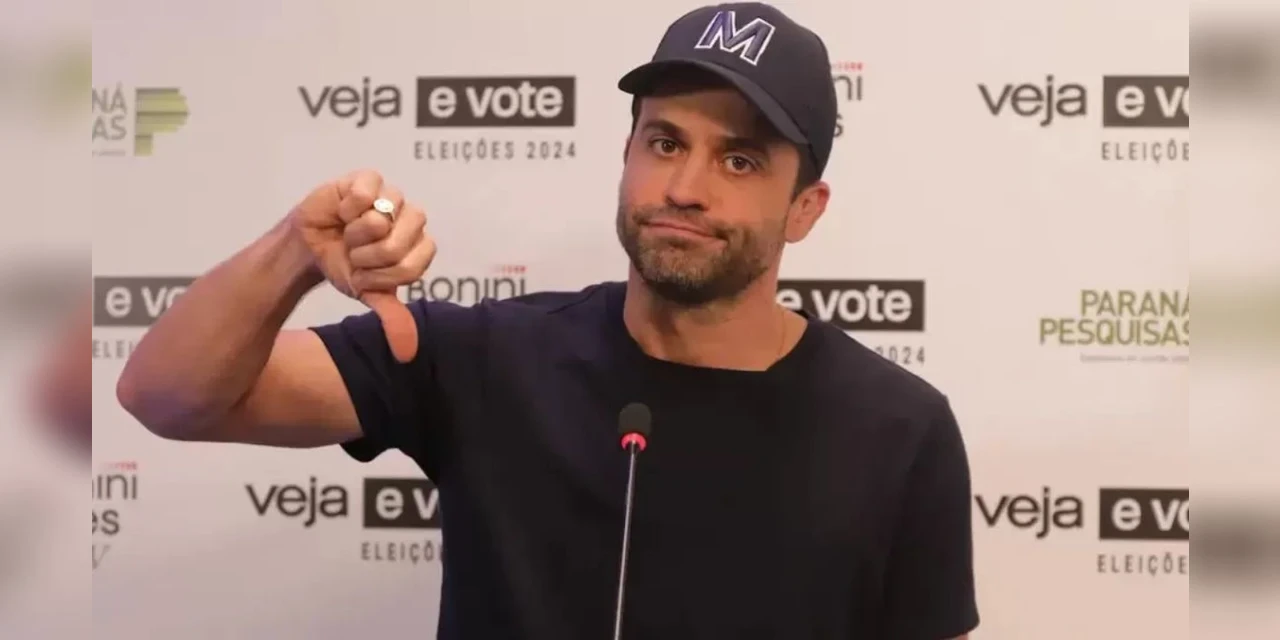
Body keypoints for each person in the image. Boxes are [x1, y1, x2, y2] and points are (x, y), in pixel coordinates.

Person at [117, 3, 979, 638]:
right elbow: (164, 395)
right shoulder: (484, 359)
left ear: (805, 208)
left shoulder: (899, 430)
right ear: (626, 154)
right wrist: (295, 252)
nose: (685, 187)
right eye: (666, 142)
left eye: (740, 159)